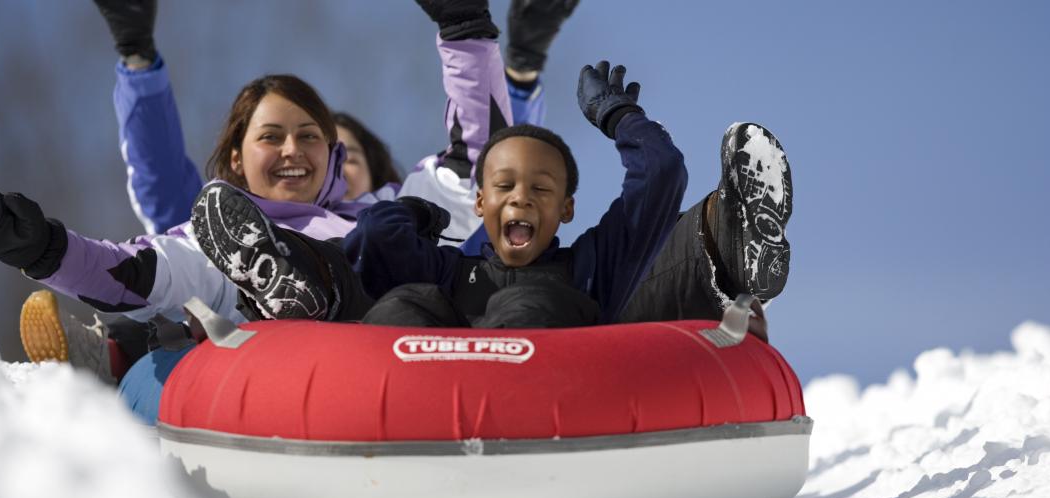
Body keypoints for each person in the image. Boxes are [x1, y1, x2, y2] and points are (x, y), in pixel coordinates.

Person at [16, 0, 514, 384]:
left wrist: (465, 28)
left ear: (334, 155)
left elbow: (480, 158)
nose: (292, 149)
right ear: (237, 157)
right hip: (303, 372)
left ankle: (321, 288)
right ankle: (127, 351)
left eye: (309, 136)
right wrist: (40, 247)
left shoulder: (388, 207)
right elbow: (134, 272)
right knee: (166, 329)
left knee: (403, 239)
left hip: (421, 348)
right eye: (271, 136)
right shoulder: (220, 238)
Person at [192, 60, 690, 328]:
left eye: (541, 188)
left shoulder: (591, 267)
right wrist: (413, 211)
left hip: (540, 400)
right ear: (480, 205)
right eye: (503, 186)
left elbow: (661, 174)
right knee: (406, 299)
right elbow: (375, 237)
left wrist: (620, 117)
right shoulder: (454, 271)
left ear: (566, 208)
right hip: (429, 402)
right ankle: (286, 269)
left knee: (531, 304)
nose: (520, 199)